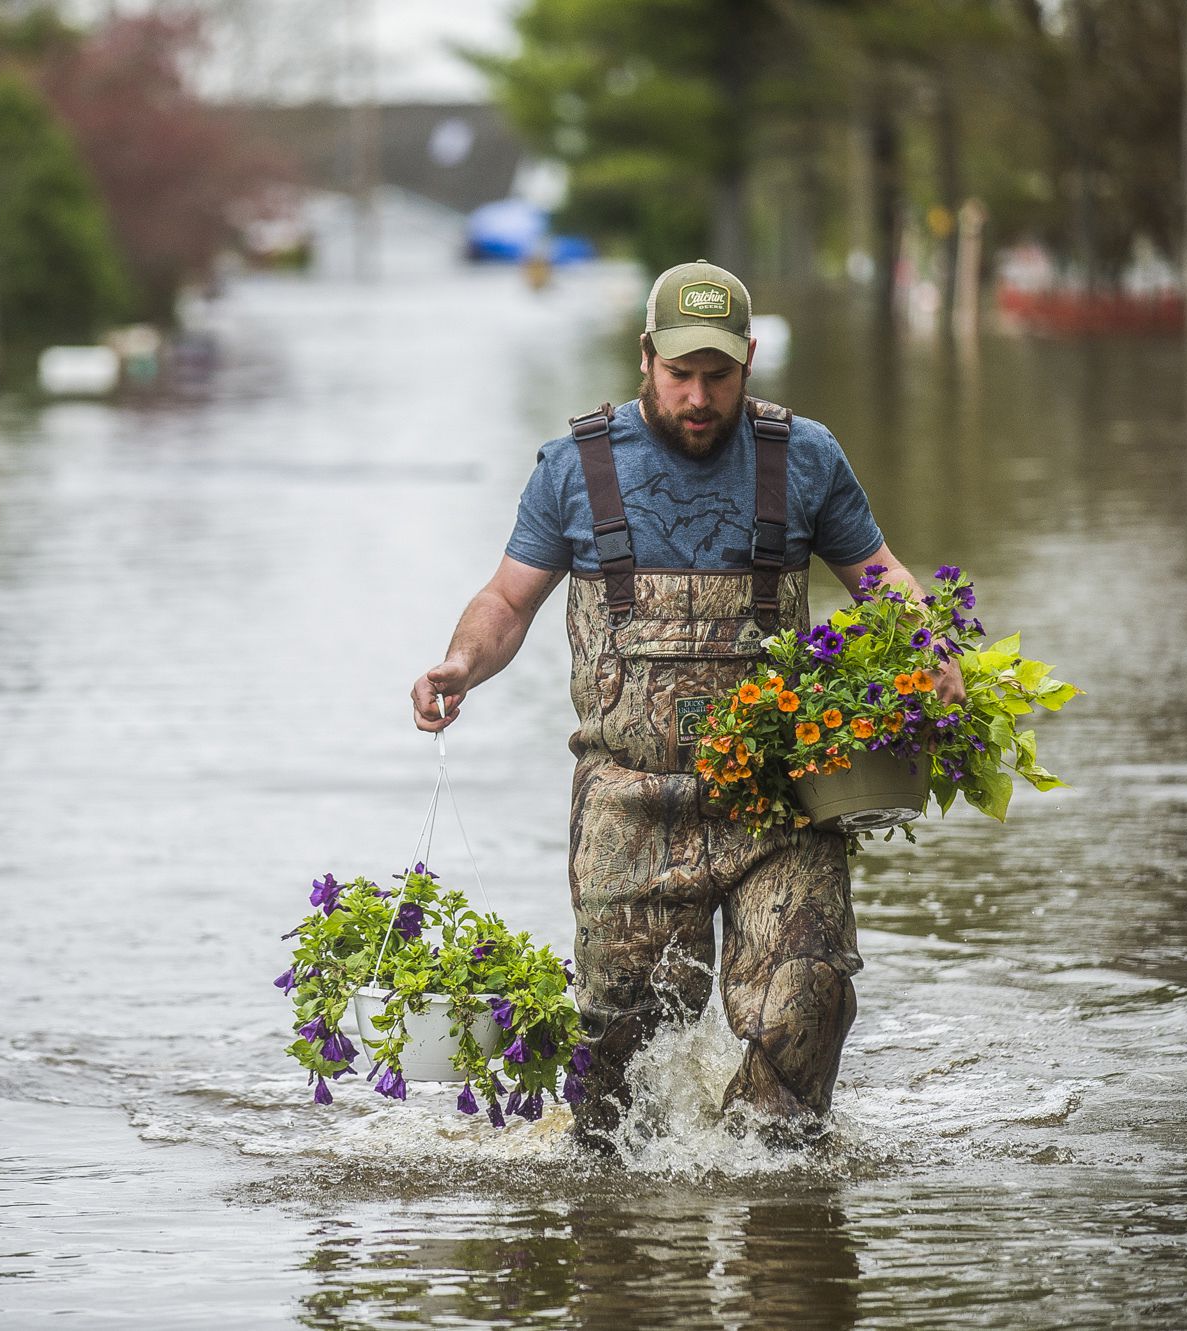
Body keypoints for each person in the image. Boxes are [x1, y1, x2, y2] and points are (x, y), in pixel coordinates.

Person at [409, 260, 963, 1152]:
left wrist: (930, 647)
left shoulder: (805, 457)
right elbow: (506, 601)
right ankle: (630, 1227)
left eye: (718, 374)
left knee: (810, 995)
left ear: (749, 360)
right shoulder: (577, 466)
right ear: (645, 359)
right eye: (680, 374)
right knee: (612, 1077)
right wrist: (459, 665)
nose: (698, 396)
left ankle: (763, 1175)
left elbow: (879, 577)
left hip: (779, 800)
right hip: (630, 804)